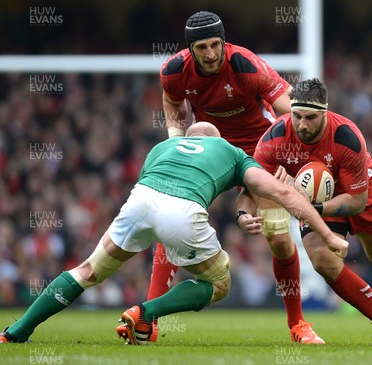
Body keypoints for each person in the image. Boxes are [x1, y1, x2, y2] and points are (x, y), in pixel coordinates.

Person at [0, 122, 348, 345]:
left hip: (140, 201)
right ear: (216, 139)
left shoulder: (161, 148)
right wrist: (329, 236)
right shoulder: (230, 151)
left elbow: (154, 183)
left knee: (88, 271)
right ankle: (145, 312)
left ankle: (17, 331)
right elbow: (283, 194)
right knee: (219, 283)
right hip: (181, 212)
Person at [144, 11, 328, 344]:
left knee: (279, 238)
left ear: (224, 42)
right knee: (170, 222)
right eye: (203, 47)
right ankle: (149, 319)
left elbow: (288, 106)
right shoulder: (173, 71)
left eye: (216, 44)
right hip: (211, 152)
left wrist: (297, 146)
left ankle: (298, 325)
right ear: (190, 50)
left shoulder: (245, 65)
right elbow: (172, 101)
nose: (211, 54)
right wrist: (175, 140)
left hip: (261, 153)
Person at [236, 78, 372, 346]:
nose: (302, 125)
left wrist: (312, 207)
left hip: (360, 192)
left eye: (311, 117)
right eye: (296, 116)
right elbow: (251, 184)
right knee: (321, 260)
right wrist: (242, 214)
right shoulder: (275, 138)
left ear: (325, 113)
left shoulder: (347, 138)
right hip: (315, 200)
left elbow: (357, 201)